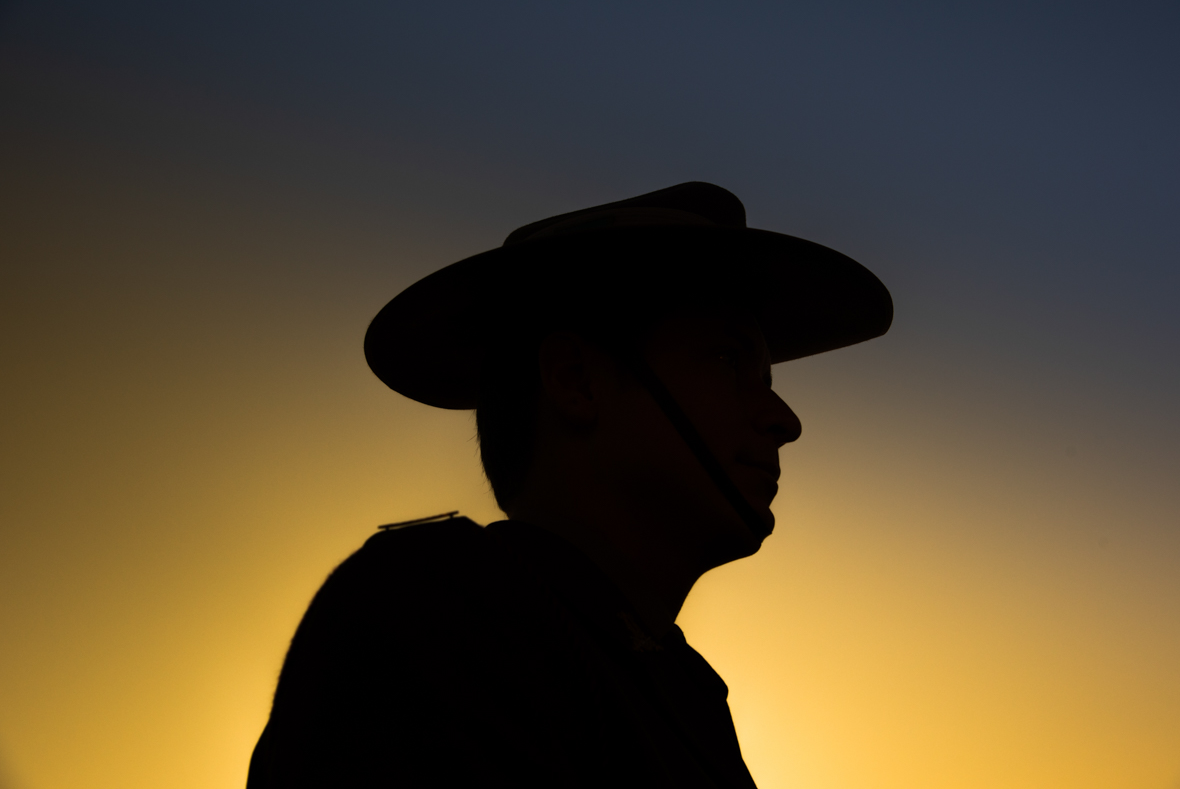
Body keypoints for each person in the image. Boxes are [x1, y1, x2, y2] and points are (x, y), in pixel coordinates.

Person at [247, 182, 892, 788]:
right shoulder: (433, 611)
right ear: (576, 381)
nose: (785, 421)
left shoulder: (681, 691)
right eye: (729, 363)